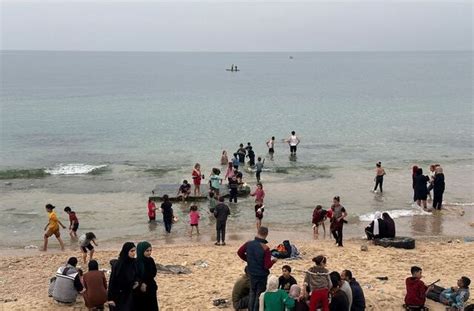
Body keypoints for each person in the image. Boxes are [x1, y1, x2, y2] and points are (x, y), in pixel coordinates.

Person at [237, 226, 277, 311]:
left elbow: (239, 252)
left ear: (257, 232)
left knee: (252, 292)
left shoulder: (248, 244)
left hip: (252, 273)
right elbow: (267, 265)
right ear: (266, 235)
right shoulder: (265, 248)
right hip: (261, 275)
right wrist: (273, 261)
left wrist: (248, 259)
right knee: (259, 295)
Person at [108, 242, 139, 311]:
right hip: (120, 295)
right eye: (132, 251)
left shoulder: (134, 262)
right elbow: (112, 281)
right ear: (126, 251)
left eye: (135, 251)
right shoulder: (119, 265)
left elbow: (137, 275)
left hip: (131, 293)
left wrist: (137, 281)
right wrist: (110, 298)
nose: (134, 253)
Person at [135, 241, 159, 311]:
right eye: (147, 251)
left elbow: (154, 272)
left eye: (150, 250)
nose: (149, 252)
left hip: (151, 287)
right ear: (141, 251)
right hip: (141, 289)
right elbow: (135, 276)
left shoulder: (151, 260)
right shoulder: (136, 262)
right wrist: (142, 283)